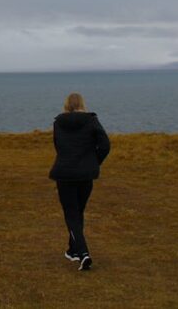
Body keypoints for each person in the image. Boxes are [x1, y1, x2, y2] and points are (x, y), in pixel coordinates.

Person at [49, 92, 110, 270]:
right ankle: (73, 250)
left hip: (64, 173)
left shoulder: (58, 123)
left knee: (72, 213)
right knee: (78, 211)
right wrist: (93, 162)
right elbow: (105, 145)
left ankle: (83, 253)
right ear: (83, 103)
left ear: (66, 105)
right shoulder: (91, 120)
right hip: (85, 174)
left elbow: (57, 146)